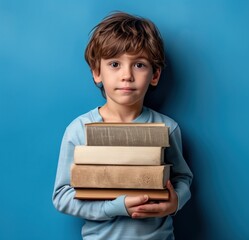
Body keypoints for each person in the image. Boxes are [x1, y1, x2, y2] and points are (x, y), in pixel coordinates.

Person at [52, 11, 193, 240]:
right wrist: (116, 207)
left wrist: (174, 202)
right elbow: (62, 196)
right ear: (97, 72)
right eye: (115, 64)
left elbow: (182, 179)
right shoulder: (79, 130)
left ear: (155, 75)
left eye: (139, 65)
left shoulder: (168, 128)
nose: (126, 75)